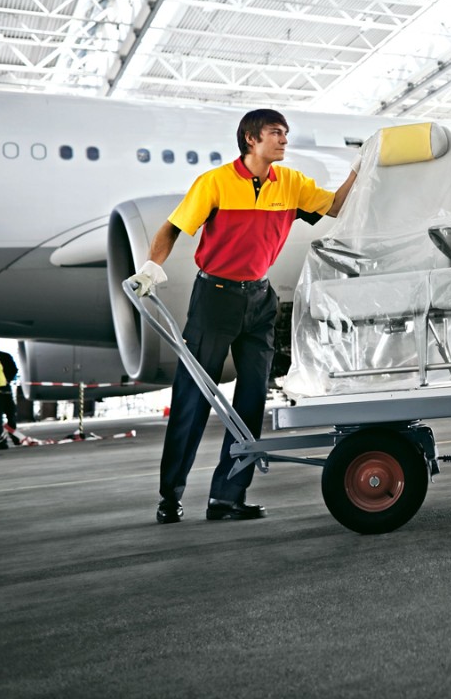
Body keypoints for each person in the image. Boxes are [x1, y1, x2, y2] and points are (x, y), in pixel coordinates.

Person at [128, 108, 359, 524]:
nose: (284, 140)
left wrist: (359, 167)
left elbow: (337, 206)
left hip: (259, 299)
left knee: (252, 400)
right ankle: (170, 496)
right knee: (193, 398)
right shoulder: (214, 182)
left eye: (285, 133)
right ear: (251, 139)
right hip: (214, 299)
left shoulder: (291, 183)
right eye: (276, 133)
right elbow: (172, 228)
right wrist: (150, 268)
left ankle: (227, 498)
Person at [0, 339, 23, 446]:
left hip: (5, 390)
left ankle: (14, 436)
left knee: (10, 415)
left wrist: (7, 379)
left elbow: (14, 369)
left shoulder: (5, 356)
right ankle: (0, 439)